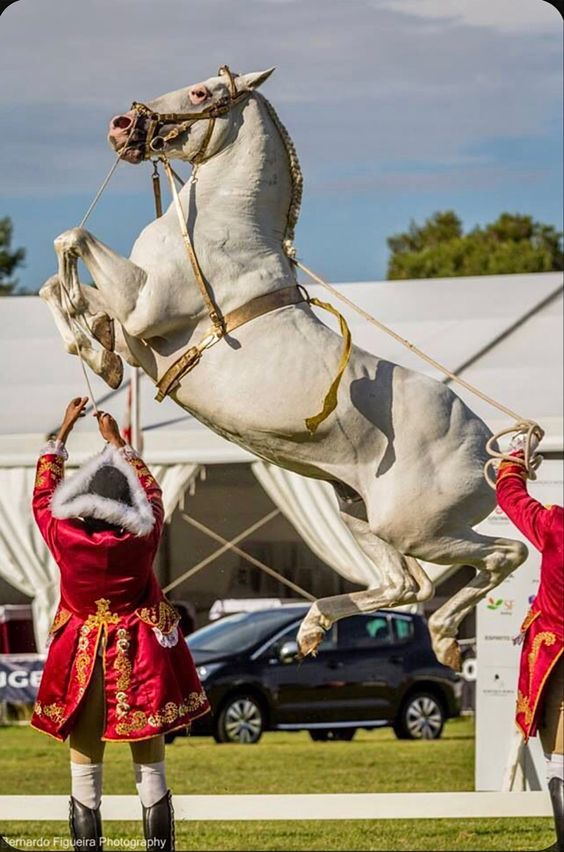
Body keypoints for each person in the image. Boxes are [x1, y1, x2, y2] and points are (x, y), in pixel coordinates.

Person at [31, 397, 210, 852]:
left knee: (84, 771)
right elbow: (153, 495)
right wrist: (119, 443)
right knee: (151, 769)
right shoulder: (143, 535)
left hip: (81, 659)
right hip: (139, 660)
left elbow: (42, 493)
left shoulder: (61, 532)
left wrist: (63, 434)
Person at [496, 435, 563, 851]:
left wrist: (515, 458)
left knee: (559, 752)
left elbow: (509, 495)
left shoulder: (556, 524)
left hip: (557, 652)